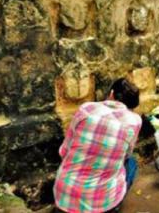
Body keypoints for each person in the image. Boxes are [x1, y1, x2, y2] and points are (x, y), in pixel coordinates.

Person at [53, 78, 142, 213]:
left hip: (65, 196)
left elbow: (64, 151)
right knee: (131, 163)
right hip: (102, 205)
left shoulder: (86, 109)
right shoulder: (134, 121)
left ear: (111, 93)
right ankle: (114, 204)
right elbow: (126, 155)